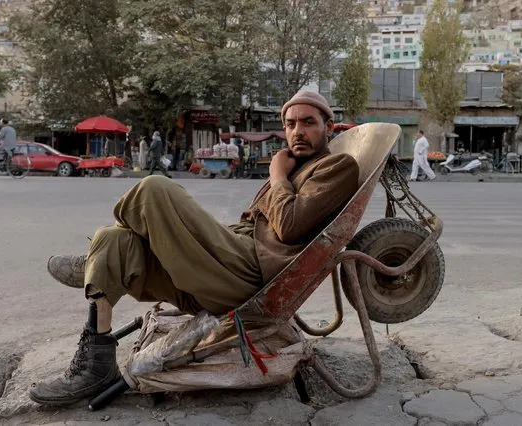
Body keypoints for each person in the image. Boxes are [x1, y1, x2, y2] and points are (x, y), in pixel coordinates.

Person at [30, 90, 360, 407]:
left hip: (253, 275)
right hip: (225, 264)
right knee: (112, 241)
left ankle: (96, 264)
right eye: (290, 124)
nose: (297, 131)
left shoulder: (335, 167)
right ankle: (96, 365)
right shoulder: (294, 165)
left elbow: (289, 227)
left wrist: (276, 173)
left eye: (308, 122)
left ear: (328, 127)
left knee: (154, 188)